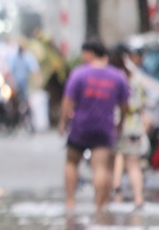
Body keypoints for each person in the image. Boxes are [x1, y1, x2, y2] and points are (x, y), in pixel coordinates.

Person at [60, 39, 129, 212]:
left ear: (90, 53)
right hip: (104, 127)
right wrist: (121, 123)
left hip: (80, 127)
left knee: (71, 162)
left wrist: (62, 122)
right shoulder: (117, 76)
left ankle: (70, 202)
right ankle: (100, 207)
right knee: (101, 167)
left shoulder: (79, 74)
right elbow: (125, 105)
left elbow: (68, 101)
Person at [111, 46, 148, 208]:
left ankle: (116, 188)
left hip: (118, 122)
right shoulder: (137, 78)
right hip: (135, 125)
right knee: (134, 163)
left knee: (118, 156)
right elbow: (143, 103)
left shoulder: (115, 78)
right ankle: (138, 198)